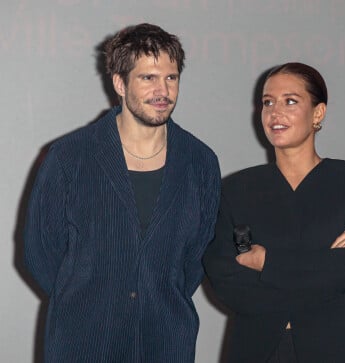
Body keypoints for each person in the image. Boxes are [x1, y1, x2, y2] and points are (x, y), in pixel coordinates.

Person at [24, 23, 220, 362]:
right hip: (83, 343)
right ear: (119, 82)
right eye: (148, 78)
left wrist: (154, 294)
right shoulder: (70, 156)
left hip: (166, 341)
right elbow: (40, 250)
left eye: (171, 78)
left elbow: (196, 256)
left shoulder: (199, 161)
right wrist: (86, 301)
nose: (163, 90)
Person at [203, 62, 345, 363]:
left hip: (337, 347)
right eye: (267, 102)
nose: (275, 113)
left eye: (290, 101)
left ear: (318, 113)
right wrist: (321, 265)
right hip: (256, 350)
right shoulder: (234, 190)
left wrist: (266, 262)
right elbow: (225, 278)